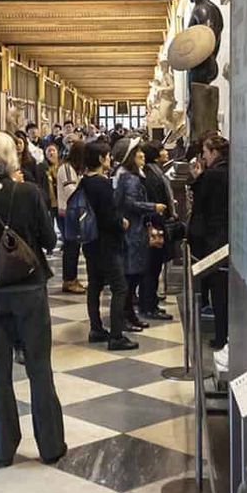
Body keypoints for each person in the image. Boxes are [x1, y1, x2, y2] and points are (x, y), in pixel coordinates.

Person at [0, 131, 65, 466]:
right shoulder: (30, 192)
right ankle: (51, 445)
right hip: (30, 289)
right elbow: (50, 240)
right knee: (39, 368)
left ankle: (4, 449)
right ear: (12, 157)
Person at [79, 139, 138, 350]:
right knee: (120, 287)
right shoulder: (102, 184)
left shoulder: (84, 181)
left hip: (91, 242)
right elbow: (108, 217)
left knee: (94, 285)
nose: (110, 159)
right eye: (106, 156)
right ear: (100, 159)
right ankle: (116, 336)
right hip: (107, 243)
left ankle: (96, 328)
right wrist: (121, 223)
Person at [116, 140, 168, 331]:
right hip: (132, 232)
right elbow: (131, 203)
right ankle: (125, 317)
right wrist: (153, 207)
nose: (142, 155)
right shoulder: (130, 179)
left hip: (136, 230)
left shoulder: (135, 176)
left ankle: (130, 315)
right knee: (131, 277)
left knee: (134, 276)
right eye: (138, 153)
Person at [188, 131, 229, 350]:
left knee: (219, 290)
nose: (203, 156)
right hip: (228, 235)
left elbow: (200, 204)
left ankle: (221, 336)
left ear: (214, 152)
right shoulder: (230, 170)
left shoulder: (212, 175)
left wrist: (198, 177)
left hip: (214, 237)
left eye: (205, 152)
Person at [140, 144, 176, 320]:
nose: (166, 151)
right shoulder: (151, 175)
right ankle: (148, 306)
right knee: (151, 268)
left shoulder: (154, 171)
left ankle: (151, 303)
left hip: (157, 222)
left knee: (154, 267)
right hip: (155, 224)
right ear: (155, 155)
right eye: (162, 149)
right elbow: (155, 200)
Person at [56, 139, 86, 293]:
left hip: (73, 212)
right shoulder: (66, 168)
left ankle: (72, 278)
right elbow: (70, 191)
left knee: (74, 247)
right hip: (67, 213)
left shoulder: (74, 169)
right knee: (71, 247)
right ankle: (69, 280)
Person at [43, 142, 61, 231]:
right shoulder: (43, 167)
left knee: (62, 225)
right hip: (49, 201)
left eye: (53, 150)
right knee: (49, 226)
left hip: (61, 201)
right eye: (49, 151)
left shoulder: (62, 166)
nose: (51, 153)